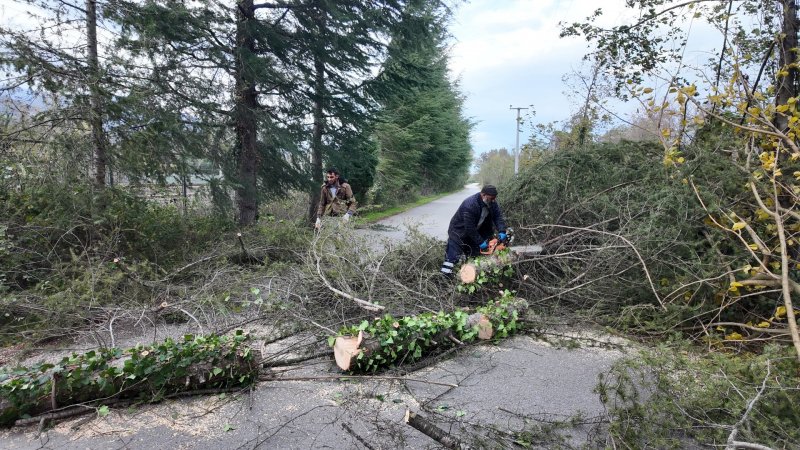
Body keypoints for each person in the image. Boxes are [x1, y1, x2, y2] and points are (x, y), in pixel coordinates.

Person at [440, 185, 508, 277]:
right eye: (491, 198)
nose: (493, 200)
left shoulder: (492, 203)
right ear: (483, 195)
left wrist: (502, 230)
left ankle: (468, 277)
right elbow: (469, 228)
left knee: (475, 256)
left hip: (476, 232)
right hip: (458, 232)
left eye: (494, 198)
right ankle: (444, 278)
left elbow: (497, 217)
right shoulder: (470, 204)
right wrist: (481, 242)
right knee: (452, 258)